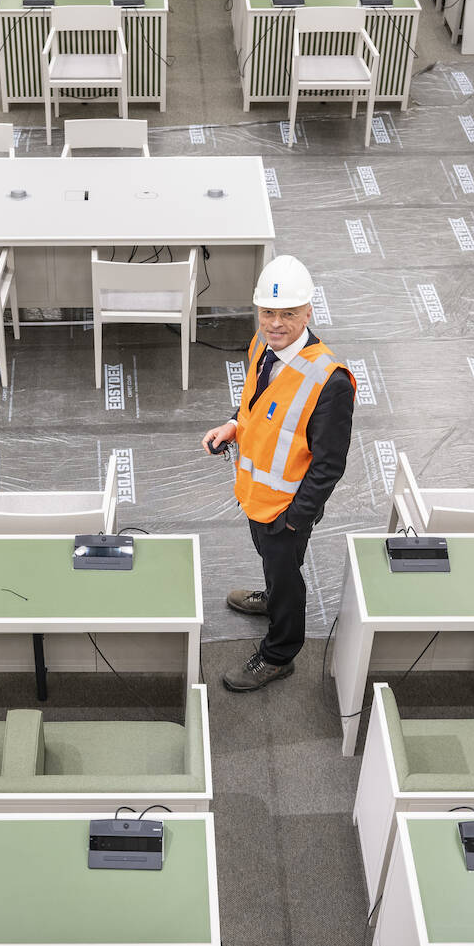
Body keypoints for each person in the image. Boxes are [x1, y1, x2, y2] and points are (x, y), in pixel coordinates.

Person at [202, 255, 354, 693]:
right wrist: (232, 425)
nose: (275, 323)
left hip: (287, 510)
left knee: (287, 576)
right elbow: (255, 405)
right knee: (271, 562)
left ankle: (279, 654)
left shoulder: (330, 381)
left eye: (288, 314)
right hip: (254, 494)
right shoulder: (260, 346)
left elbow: (329, 464)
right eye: (268, 312)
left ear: (308, 313)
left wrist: (295, 519)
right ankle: (271, 598)